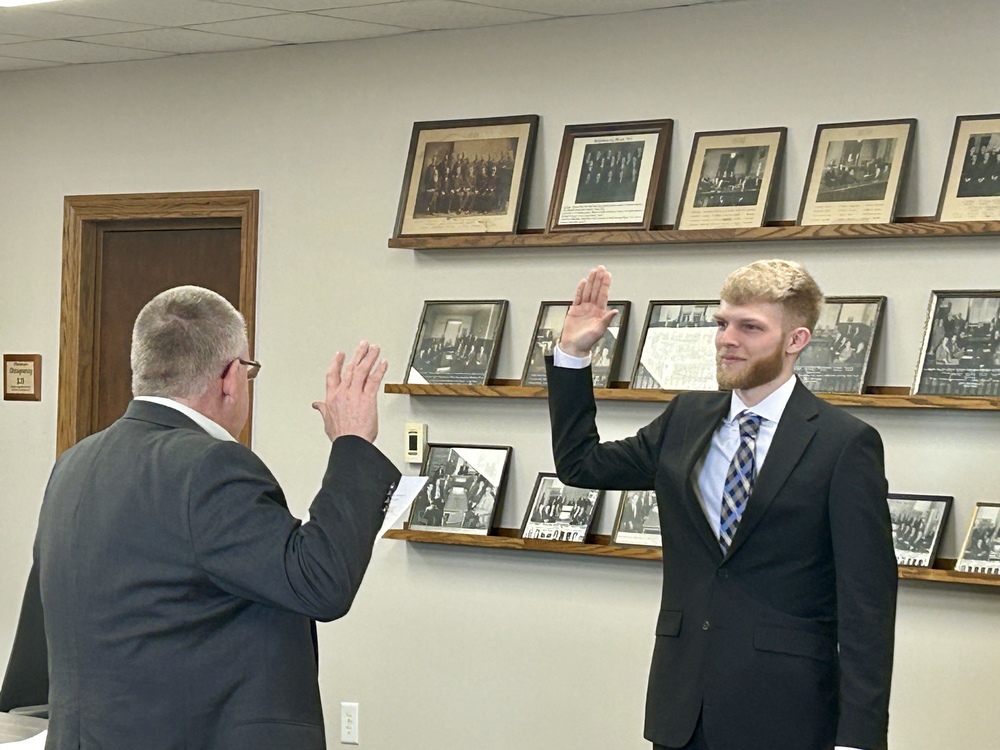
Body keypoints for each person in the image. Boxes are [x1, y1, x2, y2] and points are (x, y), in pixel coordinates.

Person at [545, 262, 896, 750]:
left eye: (750, 327)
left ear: (795, 340)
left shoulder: (845, 444)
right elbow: (580, 465)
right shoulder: (685, 418)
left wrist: (859, 737)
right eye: (722, 323)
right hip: (682, 710)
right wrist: (573, 356)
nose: (727, 339)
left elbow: (868, 604)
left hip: (789, 715)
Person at [33, 285, 401, 750]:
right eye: (248, 371)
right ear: (230, 377)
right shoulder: (210, 466)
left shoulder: (75, 462)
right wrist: (353, 445)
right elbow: (320, 581)